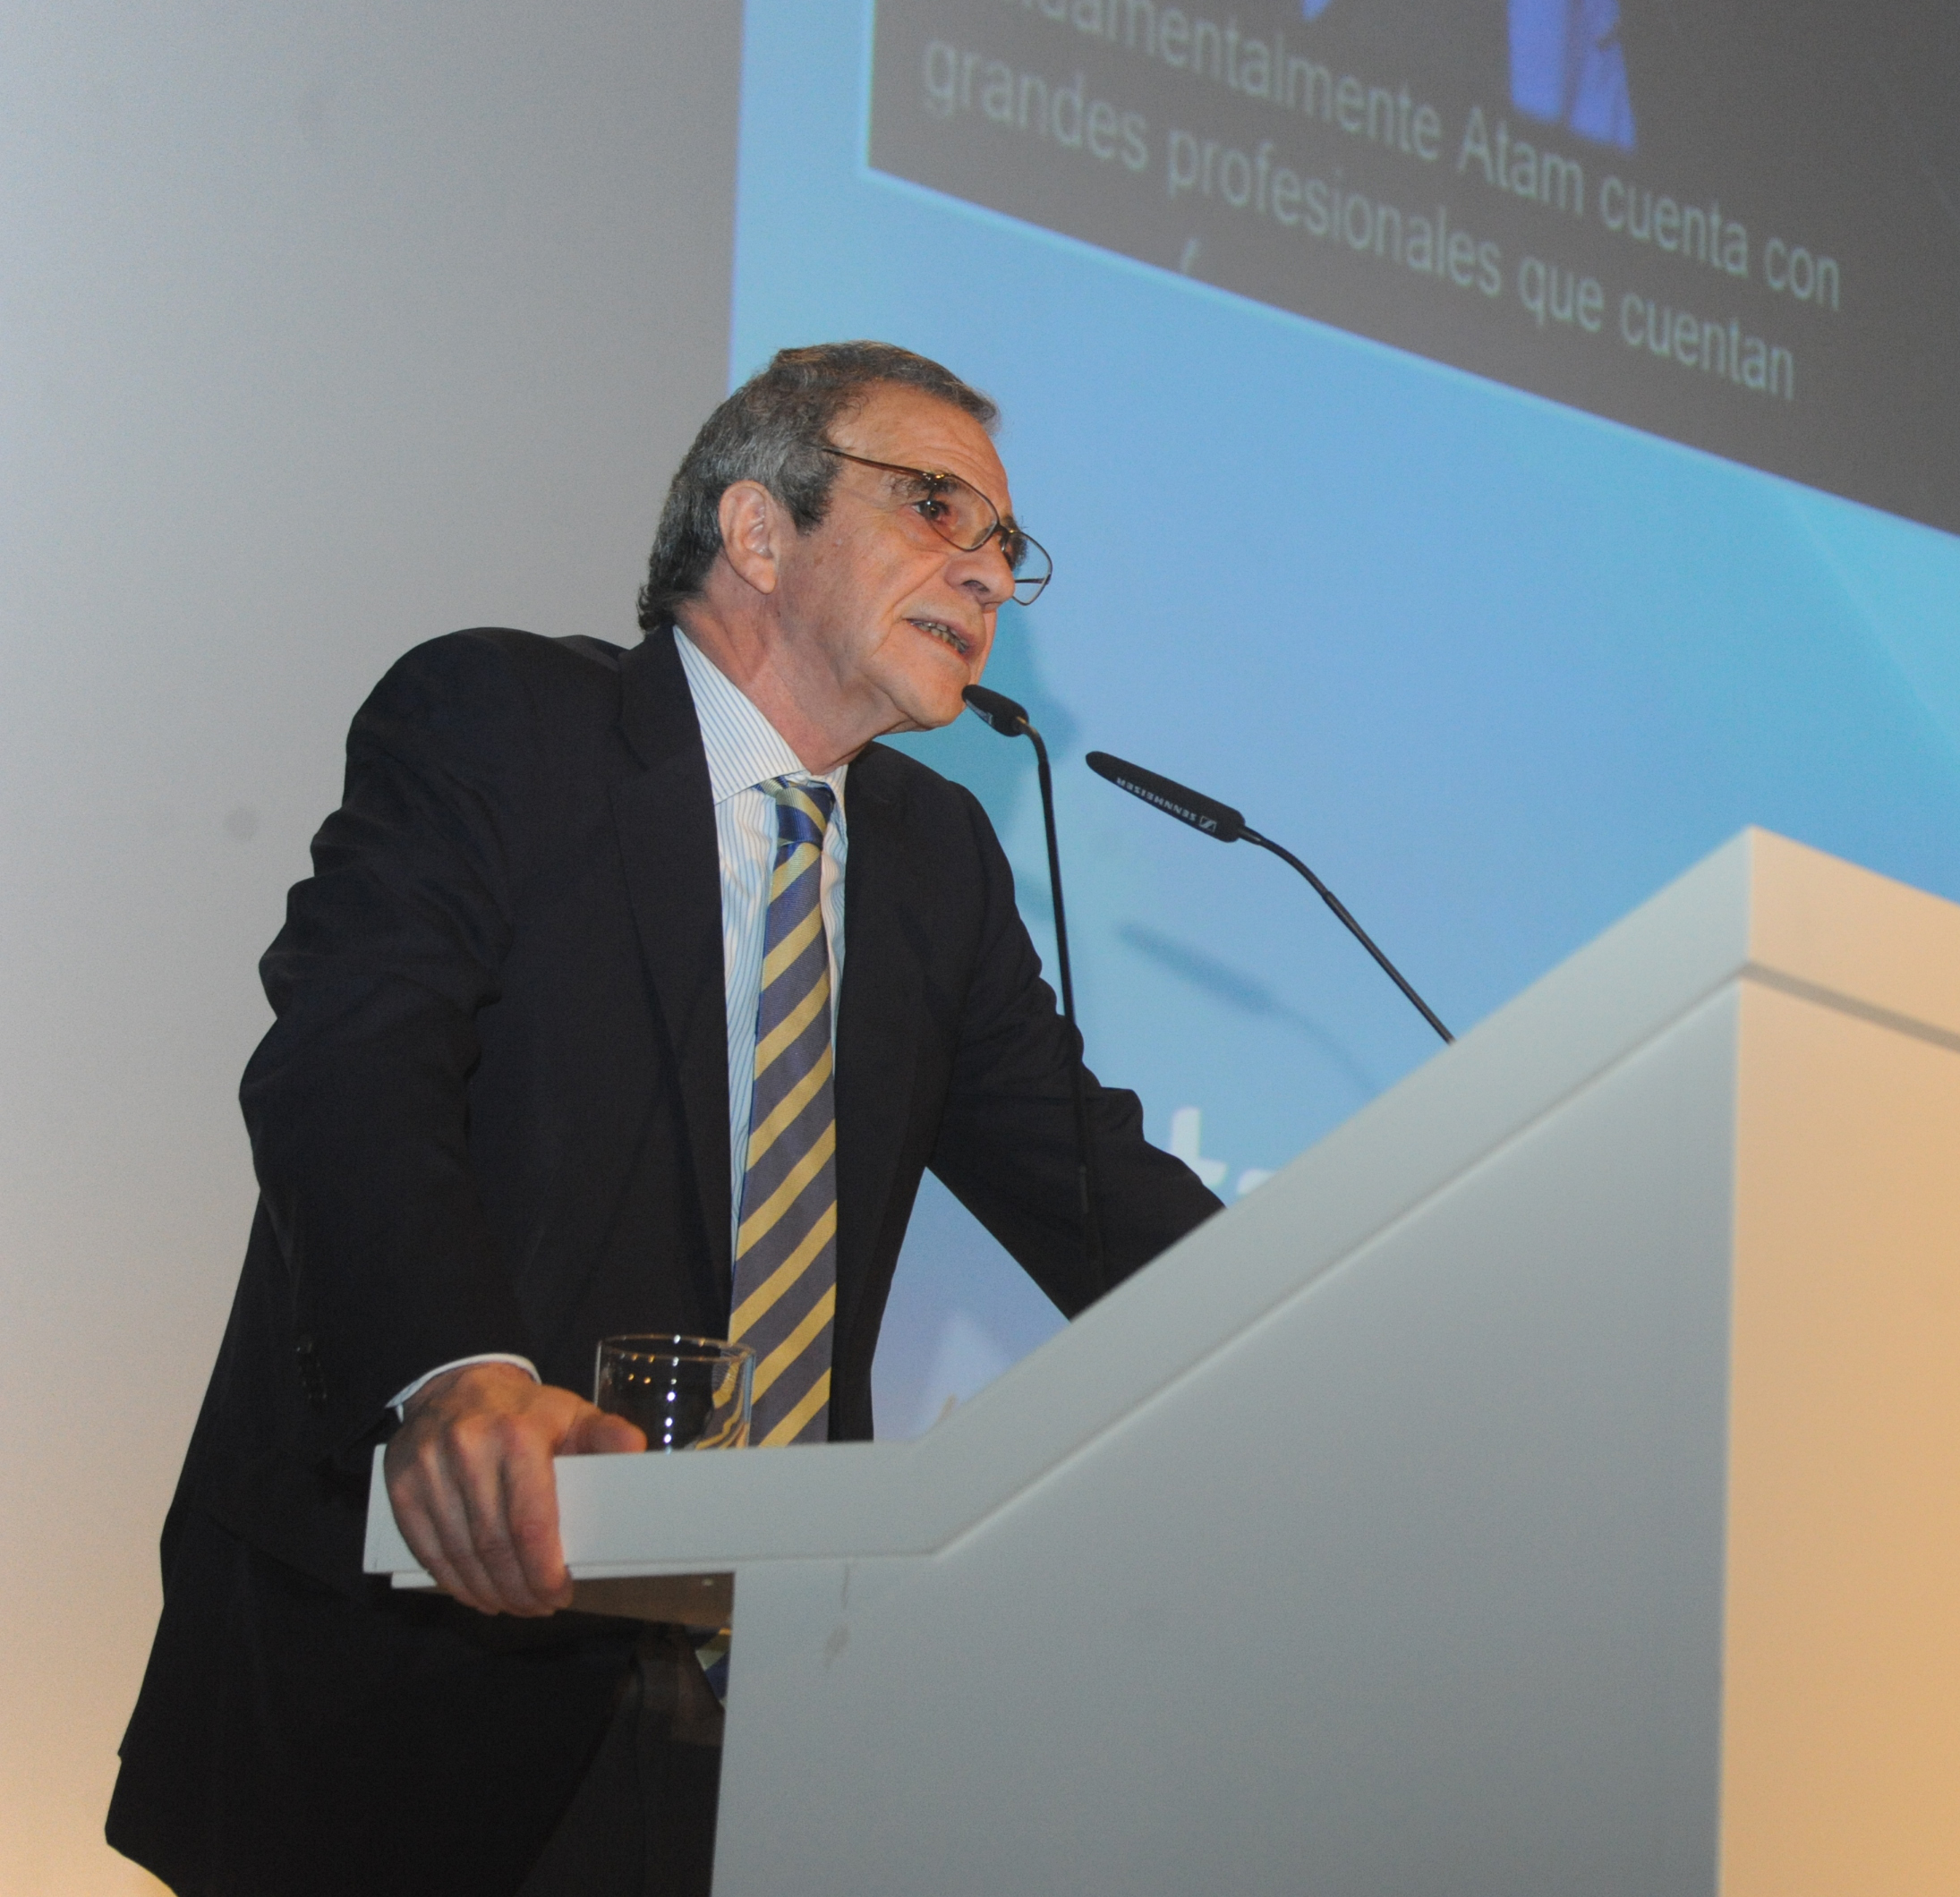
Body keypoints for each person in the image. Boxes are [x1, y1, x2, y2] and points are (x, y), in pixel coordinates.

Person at [105, 342, 1223, 1895]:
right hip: (421, 1666)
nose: (986, 574)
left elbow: (1087, 1181)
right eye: (936, 509)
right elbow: (350, 1064)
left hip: (752, 1725)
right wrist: (456, 1375)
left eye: (1005, 546)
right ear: (757, 528)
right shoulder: (505, 720)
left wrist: (1364, 1318)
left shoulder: (937, 859)